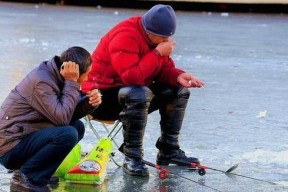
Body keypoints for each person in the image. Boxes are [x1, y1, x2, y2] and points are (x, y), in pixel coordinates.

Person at [81, 4, 204, 177]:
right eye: (162, 38)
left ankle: (168, 149)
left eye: (167, 37)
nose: (165, 42)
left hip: (128, 94)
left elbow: (161, 70)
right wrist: (157, 54)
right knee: (137, 93)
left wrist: (178, 76)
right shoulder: (125, 35)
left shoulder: (156, 41)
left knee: (179, 90)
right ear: (148, 31)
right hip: (99, 98)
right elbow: (131, 77)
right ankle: (132, 157)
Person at [0, 46, 102, 191]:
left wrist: (88, 104)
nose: (86, 79)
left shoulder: (56, 76)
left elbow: (64, 117)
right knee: (68, 134)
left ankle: (36, 171)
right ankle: (27, 179)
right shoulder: (42, 81)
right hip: (9, 147)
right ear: (74, 72)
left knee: (77, 127)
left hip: (24, 136)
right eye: (86, 74)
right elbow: (61, 119)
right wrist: (72, 83)